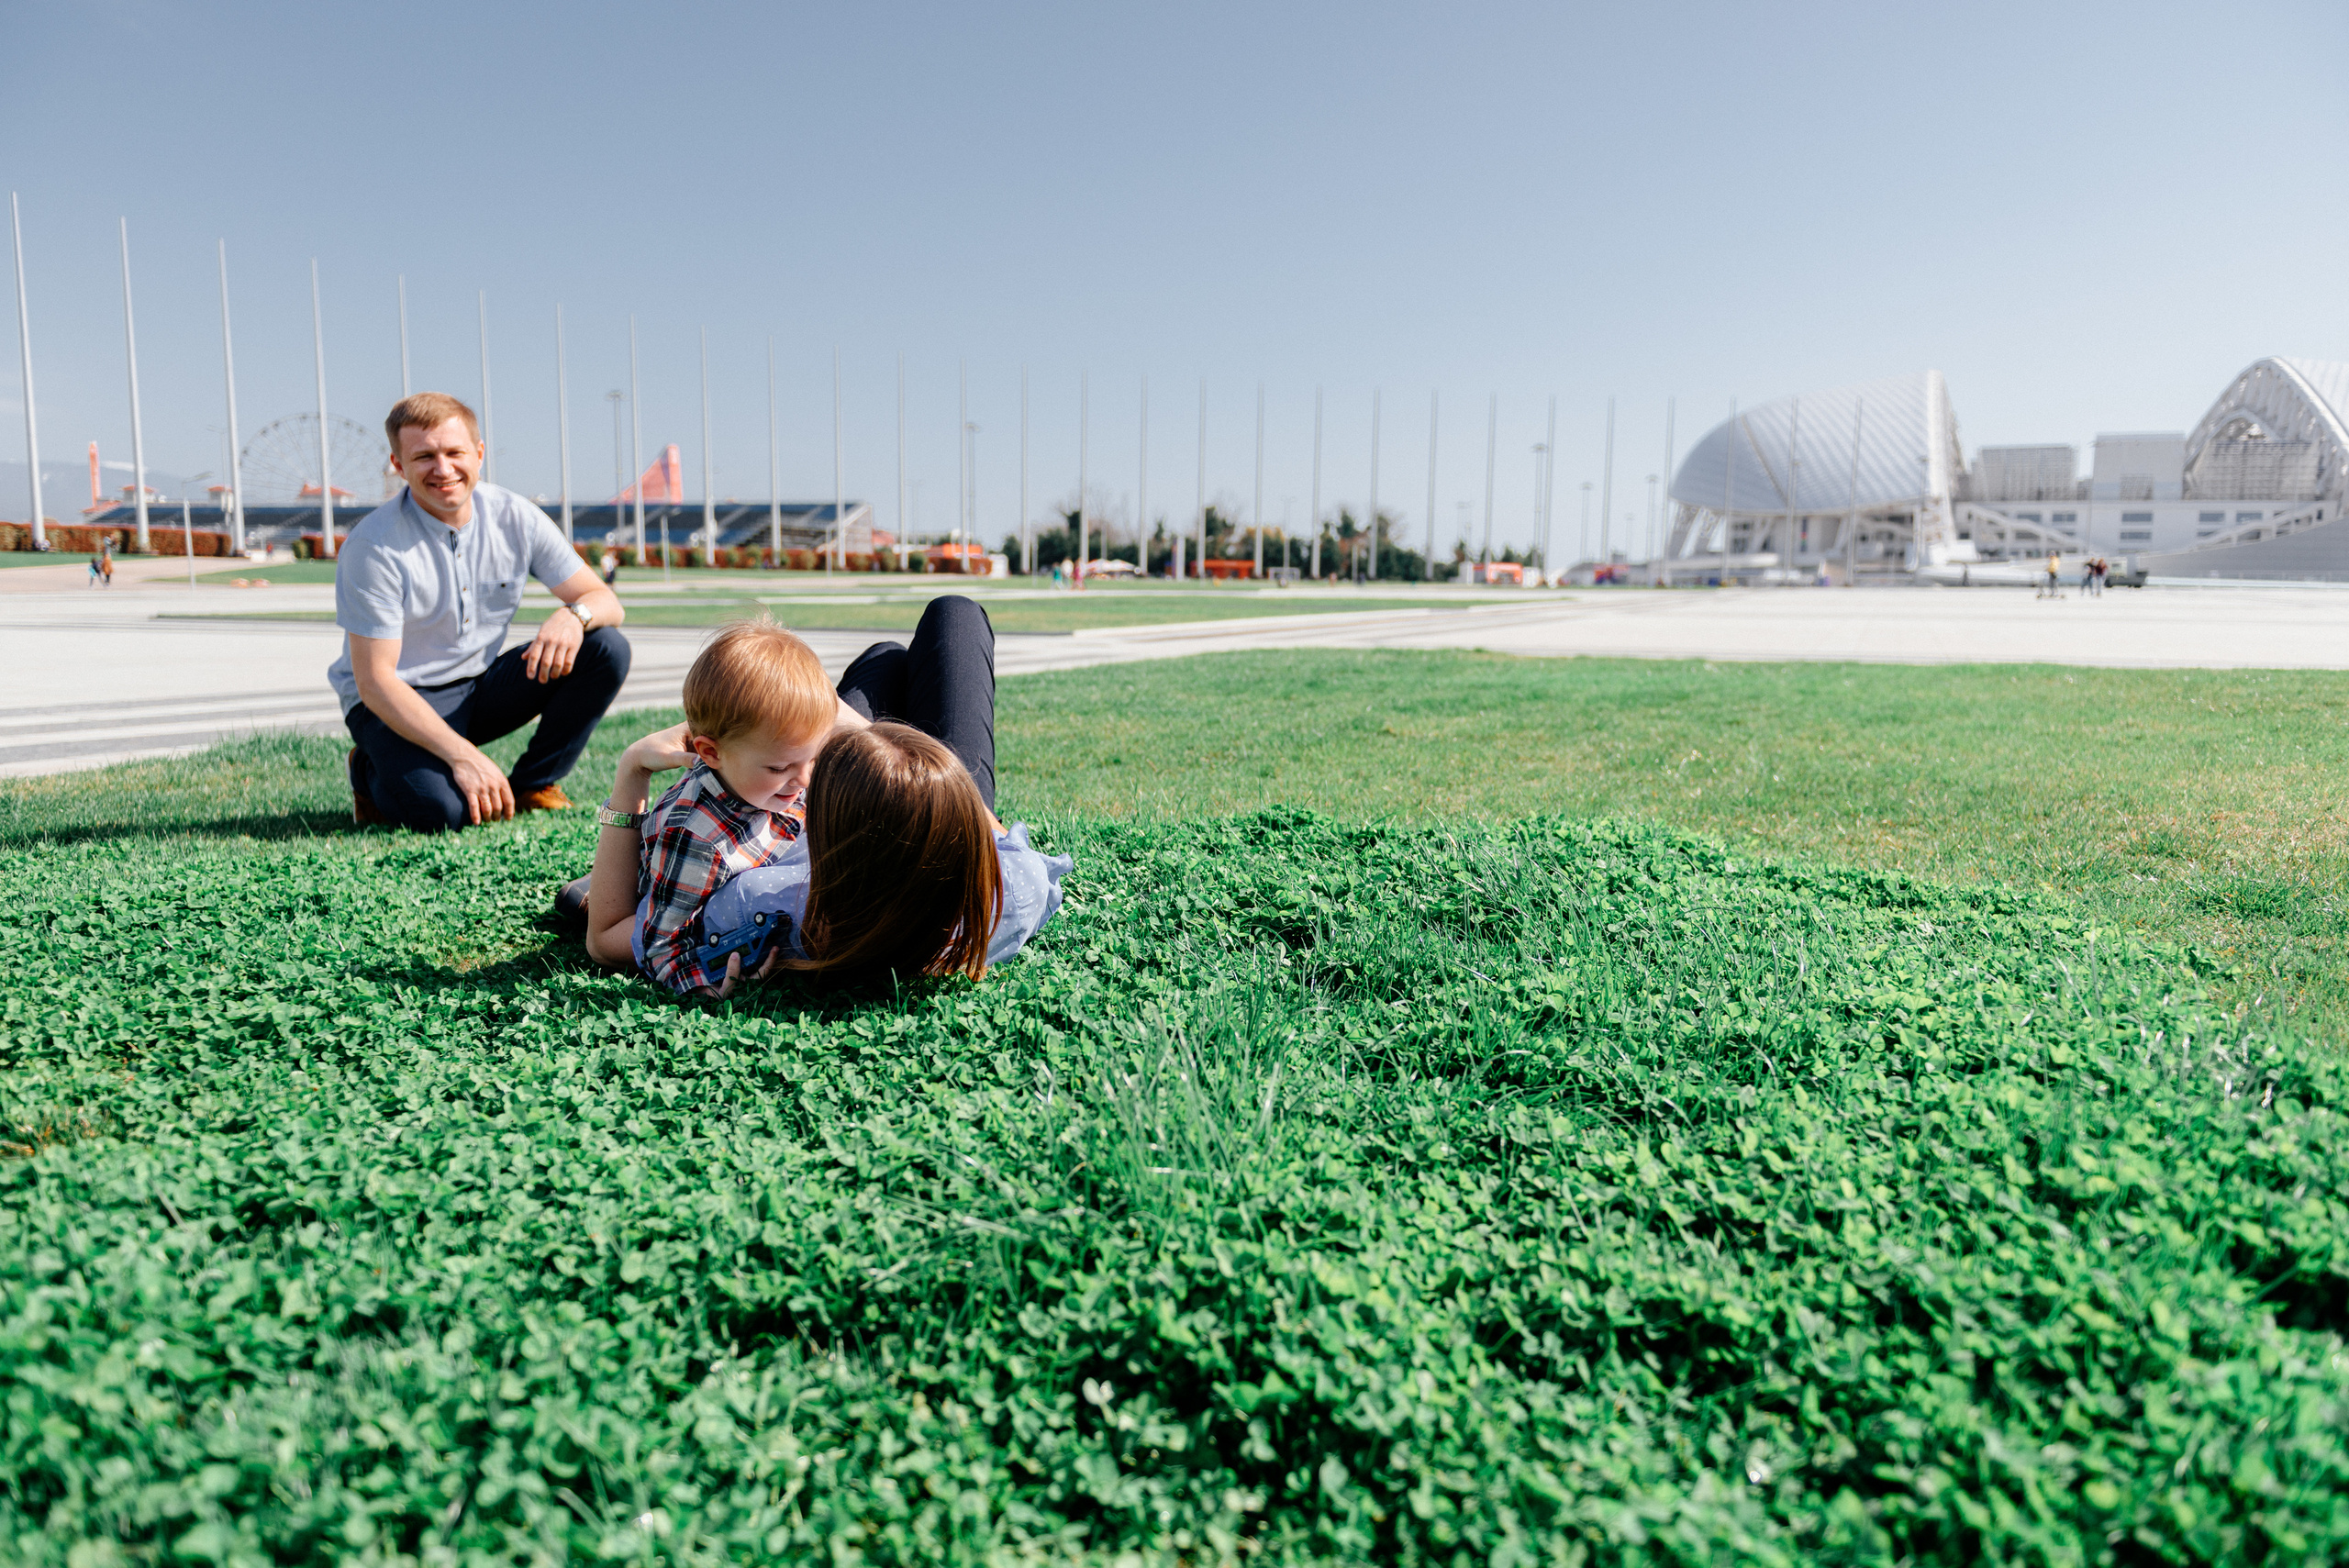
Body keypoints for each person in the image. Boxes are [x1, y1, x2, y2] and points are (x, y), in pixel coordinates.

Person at [571, 595, 1068, 996]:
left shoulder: (763, 825)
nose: (807, 780)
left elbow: (637, 944)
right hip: (706, 837)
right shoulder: (697, 837)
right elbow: (662, 947)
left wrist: (638, 767)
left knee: (886, 658)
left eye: (816, 759)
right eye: (783, 767)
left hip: (731, 811)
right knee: (888, 656)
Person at [331, 391, 629, 832]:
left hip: (477, 686)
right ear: (398, 465)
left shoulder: (516, 516)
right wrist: (464, 757)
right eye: (424, 456)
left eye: (455, 452)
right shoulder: (373, 546)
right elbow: (375, 681)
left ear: (479, 453)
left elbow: (606, 601)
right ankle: (367, 766)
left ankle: (532, 785)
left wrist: (573, 616)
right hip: (393, 699)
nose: (443, 469)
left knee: (605, 647)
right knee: (443, 813)